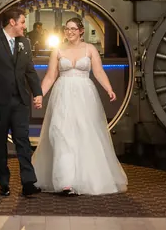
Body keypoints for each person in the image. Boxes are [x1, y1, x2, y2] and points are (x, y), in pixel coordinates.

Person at [33, 17, 127, 195]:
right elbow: (50, 76)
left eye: (73, 29)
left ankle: (84, 178)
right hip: (62, 94)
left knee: (85, 132)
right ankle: (65, 182)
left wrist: (109, 89)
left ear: (81, 31)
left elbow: (98, 72)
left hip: (85, 95)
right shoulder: (57, 50)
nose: (70, 32)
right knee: (61, 133)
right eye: (67, 29)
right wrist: (40, 95)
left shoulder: (90, 49)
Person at [0, 7, 43, 197]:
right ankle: (4, 182)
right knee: (0, 141)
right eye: (22, 22)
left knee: (23, 140)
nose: (24, 26)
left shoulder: (25, 42)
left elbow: (29, 70)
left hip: (20, 100)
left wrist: (37, 93)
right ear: (12, 22)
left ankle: (28, 183)